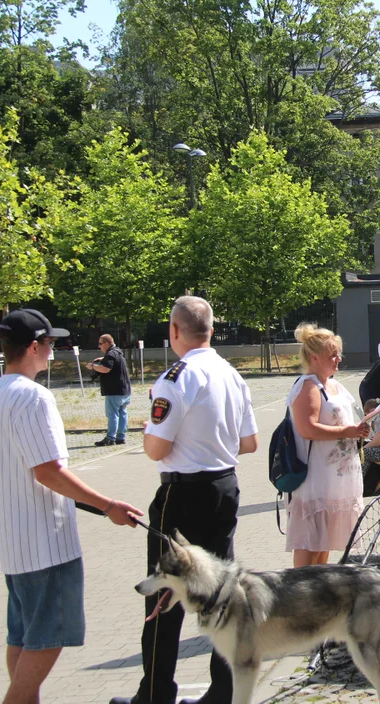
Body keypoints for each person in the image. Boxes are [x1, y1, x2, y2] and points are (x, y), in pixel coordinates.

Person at [0, 309, 142, 704]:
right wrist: (108, 505)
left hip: (12, 538)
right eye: (51, 344)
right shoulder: (34, 397)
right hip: (43, 540)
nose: (54, 351)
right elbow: (48, 471)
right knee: (49, 636)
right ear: (34, 346)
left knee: (23, 634)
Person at [111, 296, 258, 704]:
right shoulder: (231, 374)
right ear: (211, 329)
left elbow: (156, 449)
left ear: (174, 331)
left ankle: (156, 693)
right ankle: (223, 690)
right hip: (225, 487)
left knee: (165, 593)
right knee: (220, 590)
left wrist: (148, 431)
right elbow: (249, 443)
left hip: (183, 492)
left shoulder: (177, 376)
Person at [285, 323, 369, 568]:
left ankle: (318, 594)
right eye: (332, 354)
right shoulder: (308, 385)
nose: (338, 359)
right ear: (314, 357)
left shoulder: (334, 385)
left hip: (337, 478)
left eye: (338, 353)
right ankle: (300, 596)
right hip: (316, 478)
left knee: (324, 544)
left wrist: (361, 429)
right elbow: (307, 429)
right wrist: (349, 431)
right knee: (310, 542)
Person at [86, 333, 132, 446]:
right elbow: (113, 362)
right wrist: (103, 358)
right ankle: (121, 437)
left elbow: (106, 369)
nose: (99, 346)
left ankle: (110, 438)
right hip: (124, 390)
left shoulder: (111, 354)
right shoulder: (118, 352)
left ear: (107, 343)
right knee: (122, 413)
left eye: (100, 344)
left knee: (113, 414)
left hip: (114, 390)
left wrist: (92, 366)